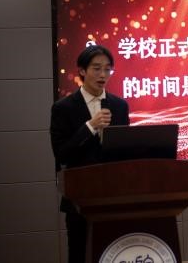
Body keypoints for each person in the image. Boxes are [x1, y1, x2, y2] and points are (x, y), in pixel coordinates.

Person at [50, 45, 129, 263]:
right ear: (82, 71)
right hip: (80, 198)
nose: (103, 75)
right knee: (80, 254)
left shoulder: (120, 106)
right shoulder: (63, 108)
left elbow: (124, 152)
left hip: (113, 196)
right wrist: (90, 126)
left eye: (107, 69)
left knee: (113, 254)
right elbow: (61, 154)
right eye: (96, 68)